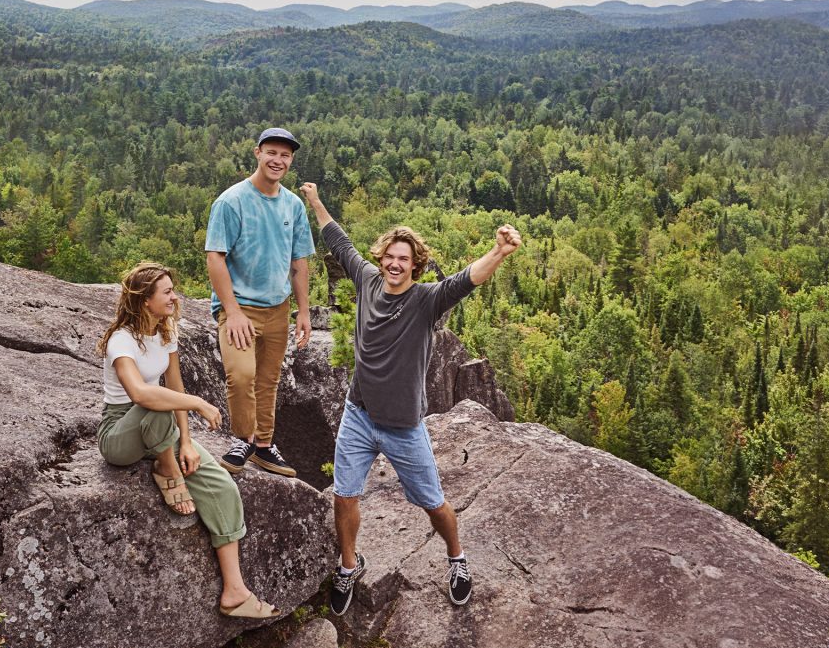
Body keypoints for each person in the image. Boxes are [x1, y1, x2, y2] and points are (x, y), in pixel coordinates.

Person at [299, 181, 522, 614]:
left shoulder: (425, 300)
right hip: (358, 414)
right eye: (390, 257)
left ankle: (457, 559)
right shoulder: (366, 280)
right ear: (381, 258)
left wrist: (498, 253)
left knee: (433, 503)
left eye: (405, 259)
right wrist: (315, 201)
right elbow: (338, 239)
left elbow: (464, 281)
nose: (395, 264)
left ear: (415, 266)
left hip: (403, 425)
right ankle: (350, 565)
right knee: (345, 495)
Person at [97, 262, 279, 619]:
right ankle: (167, 471)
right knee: (156, 401)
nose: (174, 297)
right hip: (121, 435)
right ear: (145, 300)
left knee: (221, 485)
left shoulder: (166, 333)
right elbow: (140, 395)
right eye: (166, 292)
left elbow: (174, 387)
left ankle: (234, 591)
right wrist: (197, 403)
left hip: (160, 430)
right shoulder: (121, 340)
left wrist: (187, 443)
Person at [205, 127, 315, 477]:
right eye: (272, 153)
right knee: (241, 376)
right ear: (257, 153)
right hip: (240, 308)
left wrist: (304, 312)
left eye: (285, 155)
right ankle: (243, 439)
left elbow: (299, 263)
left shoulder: (293, 205)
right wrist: (232, 311)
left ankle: (264, 446)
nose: (277, 160)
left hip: (278, 308)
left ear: (291, 160)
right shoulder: (232, 201)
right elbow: (215, 257)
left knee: (268, 381)